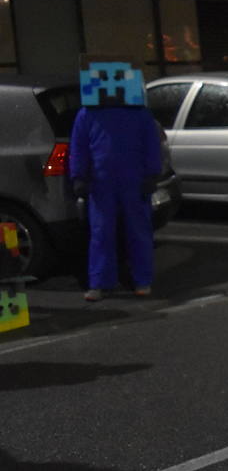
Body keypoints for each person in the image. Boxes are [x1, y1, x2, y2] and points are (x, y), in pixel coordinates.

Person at [67, 59, 163, 302]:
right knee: (119, 231)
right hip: (116, 180)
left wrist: (79, 176)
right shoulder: (137, 113)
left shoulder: (89, 113)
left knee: (109, 231)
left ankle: (107, 282)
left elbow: (79, 148)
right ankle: (127, 281)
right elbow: (152, 146)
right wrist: (152, 173)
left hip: (110, 180)